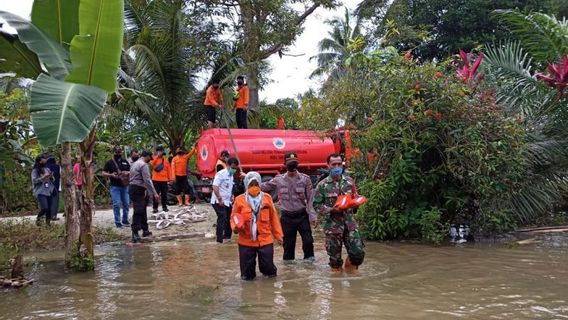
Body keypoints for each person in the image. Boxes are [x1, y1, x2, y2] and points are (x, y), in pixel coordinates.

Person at [311, 154, 365, 273]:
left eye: (339, 164)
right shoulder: (322, 185)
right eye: (334, 164)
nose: (337, 167)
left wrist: (356, 203)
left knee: (358, 253)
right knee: (335, 261)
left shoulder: (349, 182)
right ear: (328, 166)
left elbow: (355, 197)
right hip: (333, 226)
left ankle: (351, 273)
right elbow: (316, 205)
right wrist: (331, 210)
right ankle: (337, 286)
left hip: (350, 224)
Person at [261, 151, 314, 262]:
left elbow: (310, 199)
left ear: (298, 163)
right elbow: (263, 187)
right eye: (290, 162)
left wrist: (312, 215)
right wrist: (248, 179)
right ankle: (289, 271)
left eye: (294, 162)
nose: (292, 164)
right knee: (288, 246)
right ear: (285, 164)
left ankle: (309, 267)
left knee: (308, 242)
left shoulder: (305, 179)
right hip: (287, 218)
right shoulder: (278, 179)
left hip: (302, 215)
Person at [231, 172, 283, 280]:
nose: (254, 187)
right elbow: (234, 218)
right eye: (251, 185)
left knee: (269, 269)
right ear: (246, 185)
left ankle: (268, 291)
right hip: (246, 241)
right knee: (247, 275)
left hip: (265, 239)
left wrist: (279, 236)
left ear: (260, 184)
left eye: (256, 184)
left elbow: (274, 219)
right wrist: (235, 228)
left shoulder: (267, 198)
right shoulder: (239, 200)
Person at [129, 150, 160, 243]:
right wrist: (154, 193)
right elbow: (147, 180)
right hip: (138, 188)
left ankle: (145, 230)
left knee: (142, 209)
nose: (150, 160)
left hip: (135, 187)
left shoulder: (135, 164)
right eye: (150, 158)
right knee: (138, 210)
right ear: (146, 156)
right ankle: (135, 232)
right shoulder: (143, 165)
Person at [211, 157, 239, 243]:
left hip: (227, 201)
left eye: (235, 168)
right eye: (232, 168)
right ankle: (219, 239)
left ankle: (227, 237)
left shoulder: (231, 176)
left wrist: (232, 196)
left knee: (229, 218)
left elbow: (229, 187)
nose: (234, 170)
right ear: (227, 165)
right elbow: (215, 186)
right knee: (222, 217)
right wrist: (220, 199)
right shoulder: (221, 174)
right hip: (218, 200)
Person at [102, 146, 131, 228]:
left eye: (119, 152)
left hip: (125, 186)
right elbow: (103, 173)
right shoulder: (110, 162)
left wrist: (127, 173)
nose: (118, 154)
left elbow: (131, 170)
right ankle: (118, 222)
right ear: (113, 153)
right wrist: (111, 175)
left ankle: (125, 220)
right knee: (116, 204)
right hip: (115, 186)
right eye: (117, 152)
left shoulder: (125, 161)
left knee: (126, 203)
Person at [31, 153, 55, 226]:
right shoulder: (35, 171)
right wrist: (43, 177)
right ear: (40, 160)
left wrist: (51, 177)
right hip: (40, 191)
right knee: (44, 207)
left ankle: (48, 223)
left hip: (48, 190)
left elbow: (52, 180)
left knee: (49, 208)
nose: (45, 159)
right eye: (44, 158)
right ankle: (38, 219)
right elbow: (34, 181)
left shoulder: (47, 169)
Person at [150, 146, 172, 213]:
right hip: (156, 179)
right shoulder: (153, 158)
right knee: (156, 194)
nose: (161, 153)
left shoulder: (165, 160)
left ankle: (164, 207)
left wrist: (170, 179)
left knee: (164, 194)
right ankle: (155, 208)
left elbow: (169, 170)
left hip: (164, 180)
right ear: (156, 151)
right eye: (159, 151)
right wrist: (157, 156)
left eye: (161, 151)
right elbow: (151, 163)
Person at [46, 155, 61, 221]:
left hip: (46, 187)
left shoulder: (45, 167)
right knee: (55, 201)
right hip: (55, 186)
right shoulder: (57, 167)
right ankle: (53, 216)